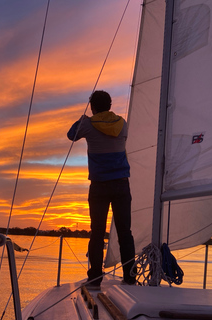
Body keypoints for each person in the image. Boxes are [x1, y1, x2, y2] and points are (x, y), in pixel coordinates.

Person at [67, 90, 136, 287]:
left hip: (99, 186)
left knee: (97, 232)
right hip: (122, 184)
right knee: (125, 231)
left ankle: (95, 277)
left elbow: (71, 135)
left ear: (93, 107)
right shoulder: (122, 124)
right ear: (110, 106)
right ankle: (130, 277)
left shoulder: (87, 125)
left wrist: (83, 118)